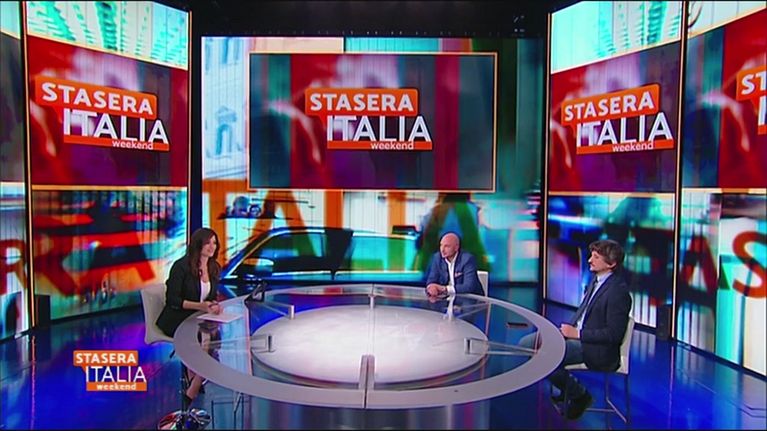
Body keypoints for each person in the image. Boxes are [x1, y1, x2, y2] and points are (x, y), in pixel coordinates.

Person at [520, 239, 632, 420]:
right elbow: (583, 313)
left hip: (595, 348)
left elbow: (614, 335)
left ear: (611, 263)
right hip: (575, 335)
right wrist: (566, 331)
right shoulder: (596, 281)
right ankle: (568, 388)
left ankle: (580, 396)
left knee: (544, 357)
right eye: (591, 256)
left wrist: (577, 334)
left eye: (596, 257)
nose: (589, 260)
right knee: (526, 344)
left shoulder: (618, 292)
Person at [156, 227, 223, 406]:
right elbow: (173, 300)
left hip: (199, 317)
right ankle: (194, 386)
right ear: (198, 244)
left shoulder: (213, 267)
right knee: (206, 336)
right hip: (177, 317)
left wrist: (213, 304)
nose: (212, 247)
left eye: (214, 243)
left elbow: (210, 296)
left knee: (213, 334)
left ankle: (194, 378)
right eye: (208, 243)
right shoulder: (181, 267)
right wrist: (200, 306)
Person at [425, 232, 484, 299]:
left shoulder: (467, 259)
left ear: (456, 247)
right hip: (446, 299)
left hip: (472, 301)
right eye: (441, 245)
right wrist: (431, 287)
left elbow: (469, 287)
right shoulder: (437, 258)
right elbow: (431, 280)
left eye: (447, 246)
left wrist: (445, 289)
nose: (442, 250)